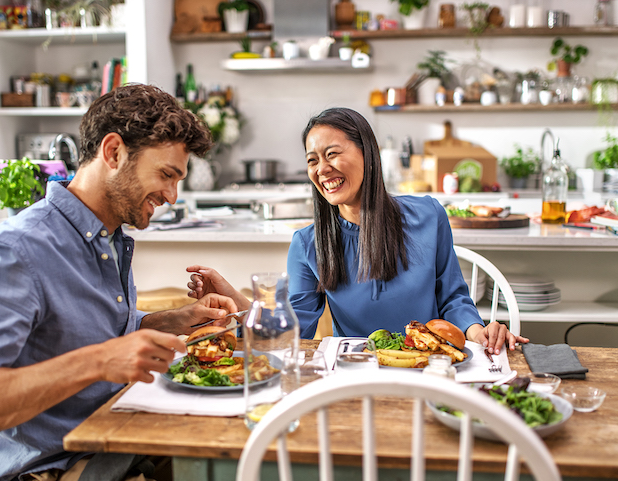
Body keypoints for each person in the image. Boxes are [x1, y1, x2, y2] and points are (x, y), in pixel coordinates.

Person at [0, 84, 242, 481]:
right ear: (114, 151)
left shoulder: (107, 239)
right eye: (166, 174)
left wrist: (164, 322)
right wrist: (98, 362)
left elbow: (83, 331)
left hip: (115, 443)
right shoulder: (17, 251)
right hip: (40, 479)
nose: (172, 195)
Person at [187, 107, 527, 354]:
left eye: (332, 154)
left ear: (369, 154)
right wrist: (232, 299)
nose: (322, 169)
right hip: (355, 375)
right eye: (312, 160)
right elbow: (289, 333)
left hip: (432, 365)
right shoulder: (308, 244)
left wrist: (477, 331)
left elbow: (453, 297)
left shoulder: (428, 215)